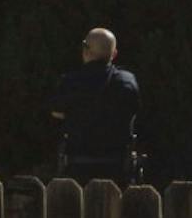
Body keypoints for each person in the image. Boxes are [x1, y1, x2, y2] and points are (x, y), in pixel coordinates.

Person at [50, 27, 141, 185]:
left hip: (77, 167)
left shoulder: (71, 82)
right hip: (117, 167)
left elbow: (56, 112)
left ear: (85, 50)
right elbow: (133, 111)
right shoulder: (127, 82)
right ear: (114, 54)